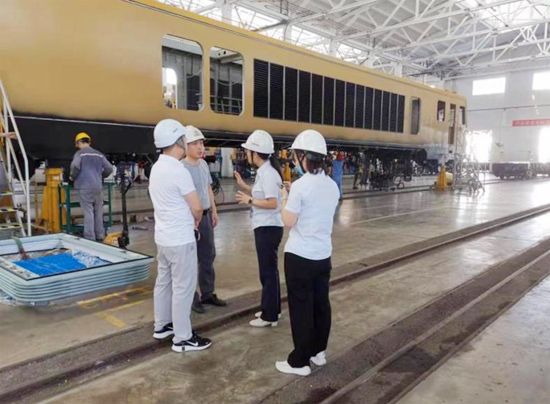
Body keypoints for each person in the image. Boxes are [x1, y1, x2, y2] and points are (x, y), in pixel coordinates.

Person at [276, 129, 340, 377]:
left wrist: (285, 197)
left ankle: (299, 362)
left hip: (300, 257)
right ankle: (318, 352)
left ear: (303, 156)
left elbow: (288, 221)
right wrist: (294, 192)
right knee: (321, 304)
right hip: (323, 256)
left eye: (296, 155)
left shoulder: (300, 187)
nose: (294, 160)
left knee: (301, 307)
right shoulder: (332, 186)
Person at [149, 119, 212, 353]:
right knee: (183, 287)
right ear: (178, 141)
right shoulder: (178, 170)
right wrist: (196, 220)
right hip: (180, 239)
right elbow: (197, 206)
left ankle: (162, 325)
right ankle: (183, 338)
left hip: (163, 237)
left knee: (163, 282)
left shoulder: (156, 168)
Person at [234, 130, 284, 328]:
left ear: (255, 153)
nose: (246, 154)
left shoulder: (269, 174)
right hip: (266, 227)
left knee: (267, 273)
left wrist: (249, 200)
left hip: (268, 228)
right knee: (270, 272)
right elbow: (262, 194)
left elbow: (273, 203)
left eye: (248, 151)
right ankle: (272, 309)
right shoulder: (265, 171)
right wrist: (244, 186)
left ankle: (269, 316)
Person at [182, 125, 227, 314]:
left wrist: (214, 211)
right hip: (191, 219)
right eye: (195, 143)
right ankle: (192, 297)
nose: (200, 147)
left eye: (201, 143)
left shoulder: (203, 165)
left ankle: (208, 293)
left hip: (206, 216)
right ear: (185, 145)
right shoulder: (181, 168)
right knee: (191, 259)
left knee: (208, 255)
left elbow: (208, 188)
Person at [69, 132, 113, 241]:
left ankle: (90, 237)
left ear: (79, 142)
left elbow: (75, 166)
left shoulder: (79, 154)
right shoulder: (99, 154)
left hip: (84, 187)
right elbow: (109, 168)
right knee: (98, 211)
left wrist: (72, 177)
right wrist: (101, 176)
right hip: (97, 187)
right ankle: (100, 235)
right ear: (89, 142)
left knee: (88, 211)